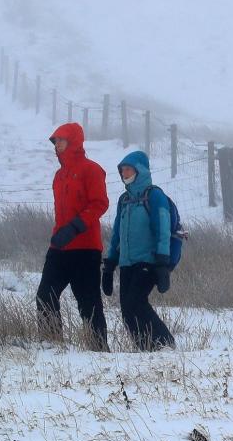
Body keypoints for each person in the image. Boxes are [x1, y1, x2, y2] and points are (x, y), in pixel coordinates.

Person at [36, 123, 110, 350]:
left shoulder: (91, 169)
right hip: (59, 246)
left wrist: (75, 227)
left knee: (88, 302)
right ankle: (52, 345)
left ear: (74, 141)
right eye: (55, 141)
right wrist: (60, 233)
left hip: (85, 248)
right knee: (44, 295)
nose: (57, 145)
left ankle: (99, 349)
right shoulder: (59, 175)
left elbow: (100, 203)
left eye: (61, 140)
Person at [102, 150, 176, 351]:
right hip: (127, 263)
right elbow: (117, 233)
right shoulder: (124, 200)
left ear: (140, 170)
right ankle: (145, 348)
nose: (124, 173)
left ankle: (165, 344)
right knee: (126, 309)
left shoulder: (154, 196)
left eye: (128, 169)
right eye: (122, 170)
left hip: (148, 262)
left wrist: (162, 262)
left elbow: (163, 228)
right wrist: (109, 264)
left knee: (136, 302)